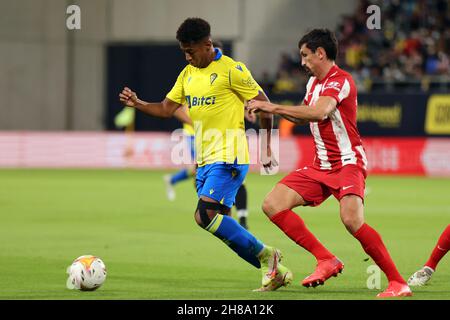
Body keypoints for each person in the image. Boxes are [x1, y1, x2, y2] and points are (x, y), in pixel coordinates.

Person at [119, 17, 292, 291]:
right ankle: (273, 270)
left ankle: (267, 256)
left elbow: (264, 104)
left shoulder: (232, 70)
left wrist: (267, 147)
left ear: (208, 45)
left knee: (205, 215)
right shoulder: (187, 74)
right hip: (206, 158)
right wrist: (138, 103)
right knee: (221, 226)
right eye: (183, 52)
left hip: (230, 155)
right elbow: (166, 109)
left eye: (191, 51)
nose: (187, 57)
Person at [247, 29, 412, 297]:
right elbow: (303, 116)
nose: (302, 62)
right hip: (320, 165)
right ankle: (326, 258)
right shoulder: (313, 84)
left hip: (348, 162)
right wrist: (268, 110)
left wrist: (273, 107)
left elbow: (320, 111)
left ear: (320, 53)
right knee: (272, 204)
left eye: (305, 55)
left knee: (351, 220)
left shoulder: (341, 80)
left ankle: (398, 282)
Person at [163, 40, 253, 230]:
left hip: (226, 140)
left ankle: (238, 219)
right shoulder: (190, 77)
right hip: (196, 136)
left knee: (227, 178)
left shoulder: (226, 74)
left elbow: (238, 101)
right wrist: (195, 123)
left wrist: (248, 110)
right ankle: (174, 182)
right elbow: (173, 108)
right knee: (201, 174)